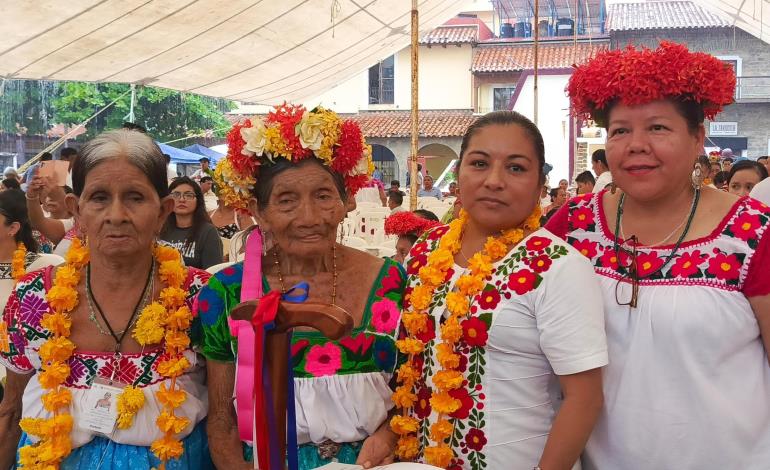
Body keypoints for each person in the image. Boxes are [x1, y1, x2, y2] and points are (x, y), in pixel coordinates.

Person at [548, 41, 770, 469]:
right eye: (619, 131)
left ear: (698, 138)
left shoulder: (752, 233)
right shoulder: (571, 227)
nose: (636, 145)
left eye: (657, 128)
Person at [389, 110, 606, 469]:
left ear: (541, 186)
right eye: (479, 163)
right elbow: (414, 362)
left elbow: (584, 399)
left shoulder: (557, 266)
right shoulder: (427, 248)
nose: (494, 180)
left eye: (516, 168)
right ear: (458, 174)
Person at [199, 104, 407, 469]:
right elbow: (220, 417)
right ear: (258, 212)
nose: (309, 217)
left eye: (324, 196)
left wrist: (388, 438)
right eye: (286, 200)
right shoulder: (225, 293)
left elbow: (412, 390)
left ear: (347, 202)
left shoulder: (390, 281)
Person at [0, 129, 213, 469]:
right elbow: (10, 410)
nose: (116, 215)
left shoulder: (201, 297)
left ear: (162, 212)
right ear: (77, 210)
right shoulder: (33, 297)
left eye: (135, 197)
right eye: (99, 197)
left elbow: (225, 418)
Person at [160, 177, 222, 269]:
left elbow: (212, 274)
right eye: (176, 195)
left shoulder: (208, 232)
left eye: (188, 195)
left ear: (198, 200)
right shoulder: (160, 228)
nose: (181, 199)